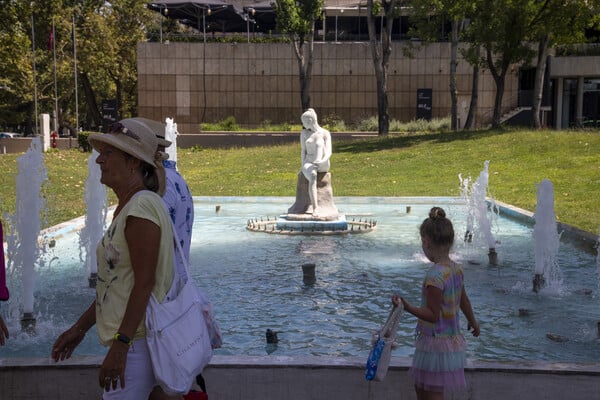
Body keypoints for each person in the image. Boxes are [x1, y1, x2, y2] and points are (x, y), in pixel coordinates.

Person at [51, 119, 182, 400]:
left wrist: (121, 345)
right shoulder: (131, 207)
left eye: (109, 154)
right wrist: (80, 329)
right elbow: (114, 285)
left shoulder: (141, 208)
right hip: (135, 343)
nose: (99, 160)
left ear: (133, 162)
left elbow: (144, 284)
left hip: (136, 345)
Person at [392, 207, 480, 400]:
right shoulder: (455, 269)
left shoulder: (435, 276)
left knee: (430, 393)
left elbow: (432, 315)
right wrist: (473, 321)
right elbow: (463, 299)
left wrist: (406, 306)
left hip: (435, 343)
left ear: (426, 242)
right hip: (449, 341)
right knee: (424, 390)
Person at [299, 108, 332, 216]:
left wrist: (322, 160)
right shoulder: (304, 133)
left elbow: (329, 151)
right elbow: (303, 150)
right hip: (309, 162)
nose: (302, 124)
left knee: (320, 143)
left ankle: (317, 162)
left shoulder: (325, 133)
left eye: (303, 121)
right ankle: (315, 208)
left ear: (310, 120)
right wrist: (303, 165)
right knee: (312, 174)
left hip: (322, 162)